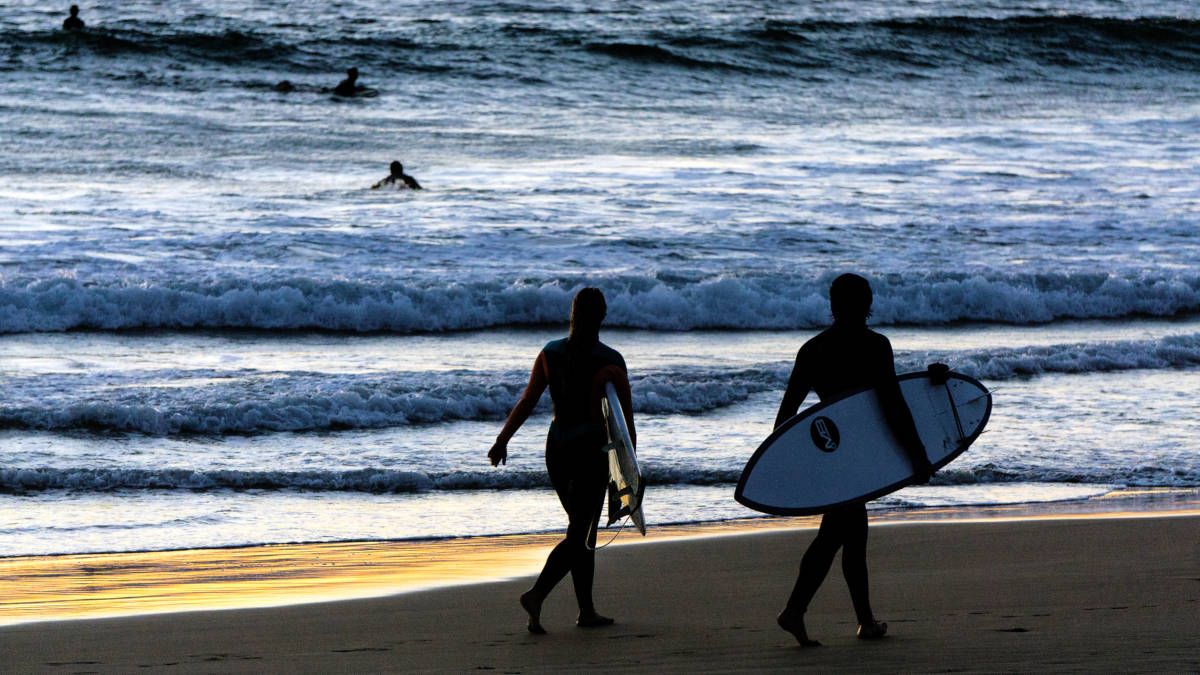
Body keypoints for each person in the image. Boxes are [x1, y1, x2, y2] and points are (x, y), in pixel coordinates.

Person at [772, 273, 932, 647]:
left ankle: (862, 621)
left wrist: (791, 464)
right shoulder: (874, 346)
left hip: (830, 454)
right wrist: (917, 455)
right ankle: (795, 611)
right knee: (836, 535)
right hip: (855, 457)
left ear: (833, 305)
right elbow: (893, 406)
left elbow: (786, 419)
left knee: (851, 533)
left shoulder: (813, 350)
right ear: (867, 305)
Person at [488, 288, 635, 634]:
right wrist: (631, 469)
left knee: (582, 528)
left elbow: (528, 400)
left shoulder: (550, 353)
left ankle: (586, 610)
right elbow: (625, 422)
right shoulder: (611, 361)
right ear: (602, 315)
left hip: (557, 449)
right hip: (589, 450)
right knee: (581, 531)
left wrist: (502, 440)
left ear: (572, 313)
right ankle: (537, 595)